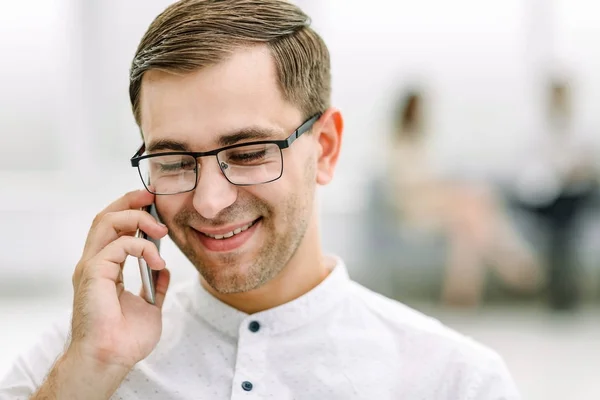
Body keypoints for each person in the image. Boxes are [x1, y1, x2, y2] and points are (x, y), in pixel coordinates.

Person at [1, 1, 521, 399]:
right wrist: (90, 371)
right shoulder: (72, 362)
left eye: (248, 152)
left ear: (327, 149)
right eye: (175, 160)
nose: (208, 201)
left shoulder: (456, 382)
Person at [387, 89, 542, 306]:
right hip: (415, 209)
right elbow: (407, 185)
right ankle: (515, 265)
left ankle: (460, 295)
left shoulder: (421, 141)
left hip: (436, 206)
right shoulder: (399, 143)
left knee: (467, 230)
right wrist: (446, 187)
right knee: (475, 204)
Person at [511, 79, 599, 310]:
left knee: (563, 230)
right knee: (561, 230)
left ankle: (561, 293)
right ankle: (563, 294)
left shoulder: (580, 130)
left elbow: (588, 166)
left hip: (573, 195)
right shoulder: (538, 130)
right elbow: (531, 172)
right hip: (547, 197)